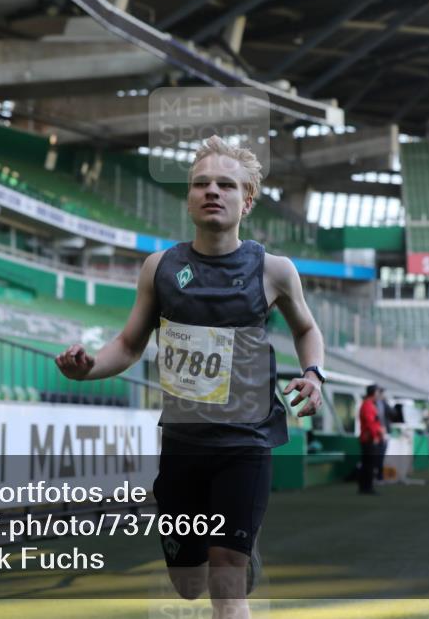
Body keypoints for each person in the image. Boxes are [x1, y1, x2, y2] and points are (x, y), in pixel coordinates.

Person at [55, 135, 325, 619]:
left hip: (245, 443)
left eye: (226, 184)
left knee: (226, 584)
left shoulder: (274, 270)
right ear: (189, 198)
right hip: (183, 444)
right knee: (188, 586)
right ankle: (234, 555)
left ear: (247, 200)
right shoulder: (160, 267)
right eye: (201, 184)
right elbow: (129, 345)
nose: (212, 191)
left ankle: (237, 554)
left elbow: (306, 329)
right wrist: (89, 367)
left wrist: (314, 374)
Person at [358, 385, 383, 495]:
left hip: (369, 438)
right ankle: (366, 488)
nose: (379, 395)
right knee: (369, 464)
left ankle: (365, 487)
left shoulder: (369, 404)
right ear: (374, 393)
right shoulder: (368, 405)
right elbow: (370, 423)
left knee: (368, 464)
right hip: (369, 439)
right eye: (378, 392)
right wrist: (375, 436)